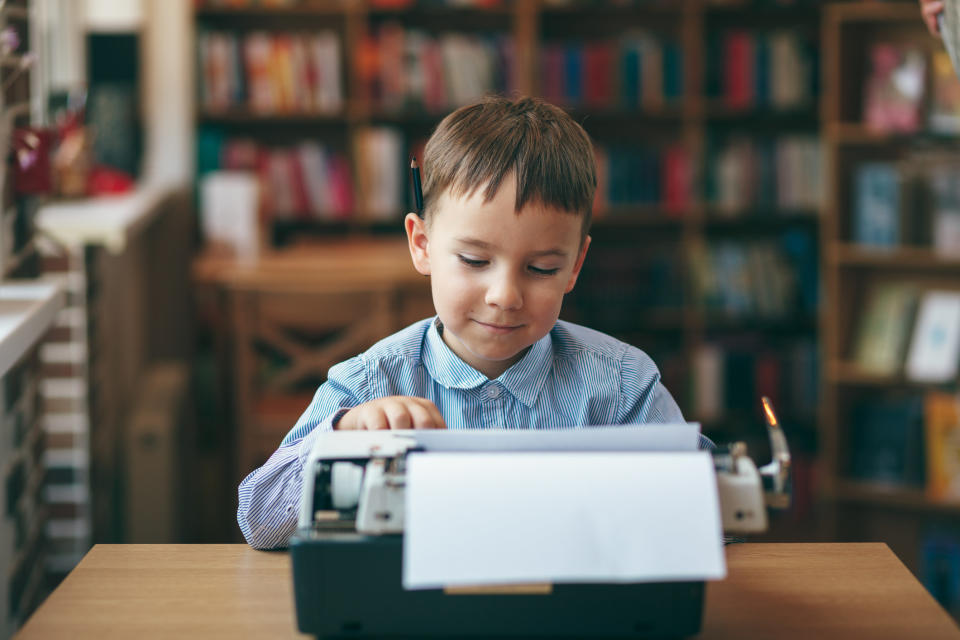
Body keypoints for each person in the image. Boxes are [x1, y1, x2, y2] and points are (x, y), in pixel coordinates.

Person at [238, 95, 701, 550]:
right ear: (421, 244)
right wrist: (344, 439)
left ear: (576, 264)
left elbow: (701, 516)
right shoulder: (371, 383)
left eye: (541, 269)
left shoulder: (622, 384)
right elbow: (260, 521)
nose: (505, 296)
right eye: (475, 260)